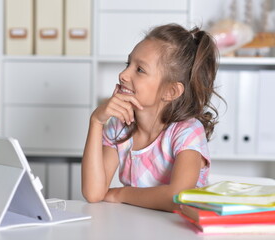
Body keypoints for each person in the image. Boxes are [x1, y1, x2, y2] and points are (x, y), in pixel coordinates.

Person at [81, 23, 221, 212]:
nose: (123, 75)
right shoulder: (119, 126)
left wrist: (121, 193)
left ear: (170, 91)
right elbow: (93, 193)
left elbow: (178, 197)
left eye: (139, 70)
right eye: (127, 64)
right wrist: (96, 122)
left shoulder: (187, 131)